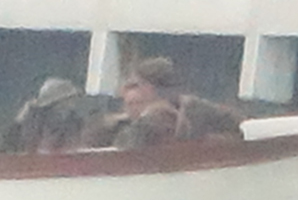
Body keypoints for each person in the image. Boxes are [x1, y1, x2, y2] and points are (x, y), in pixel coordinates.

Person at [90, 57, 244, 150]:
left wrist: (147, 118)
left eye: (133, 87)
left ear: (150, 89)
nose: (124, 95)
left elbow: (124, 149)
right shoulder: (121, 123)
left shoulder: (164, 118)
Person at [2, 77, 93, 154]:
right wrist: (20, 120)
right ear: (58, 102)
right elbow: (9, 147)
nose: (73, 103)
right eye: (69, 98)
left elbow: (77, 146)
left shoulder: (75, 121)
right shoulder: (34, 121)